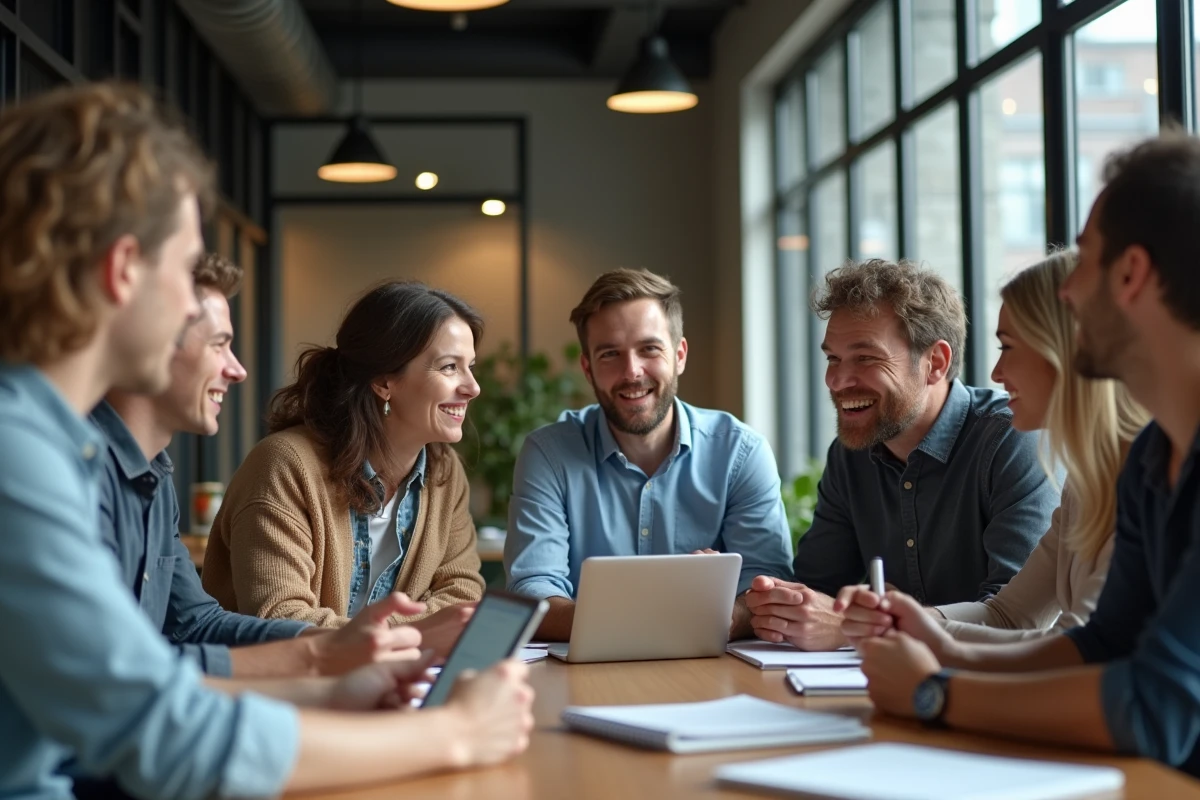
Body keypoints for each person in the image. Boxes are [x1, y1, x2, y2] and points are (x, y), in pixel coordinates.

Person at [0, 81, 532, 800]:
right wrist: (455, 734)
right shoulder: (18, 453)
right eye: (184, 273)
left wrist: (329, 677)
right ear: (124, 269)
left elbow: (163, 672)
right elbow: (157, 729)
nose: (199, 312)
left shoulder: (62, 445)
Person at [838, 131, 1200, 777]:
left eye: (1084, 257)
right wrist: (940, 643)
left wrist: (935, 692)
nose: (1067, 291)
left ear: (1131, 274)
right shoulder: (1154, 460)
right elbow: (1101, 646)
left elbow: (1157, 705)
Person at [93, 252, 422, 679]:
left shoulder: (152, 476)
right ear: (154, 344)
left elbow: (195, 625)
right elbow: (116, 672)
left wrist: (334, 643)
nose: (238, 370)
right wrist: (319, 660)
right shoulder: (73, 474)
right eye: (219, 344)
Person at [746, 260, 1059, 651]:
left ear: (936, 363)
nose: (837, 380)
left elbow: (1011, 620)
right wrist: (776, 604)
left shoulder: (1012, 439)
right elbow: (817, 590)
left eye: (866, 358)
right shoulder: (851, 453)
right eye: (833, 358)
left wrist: (862, 623)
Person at [504, 268, 794, 642]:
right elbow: (532, 591)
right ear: (588, 369)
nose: (632, 371)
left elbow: (768, 583)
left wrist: (727, 616)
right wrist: (660, 616)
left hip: (711, 674)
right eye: (610, 354)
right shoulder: (549, 454)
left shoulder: (740, 451)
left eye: (649, 349)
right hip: (586, 676)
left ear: (679, 355)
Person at [203, 280, 486, 657]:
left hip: (386, 684)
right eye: (450, 367)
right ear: (385, 382)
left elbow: (463, 597)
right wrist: (421, 632)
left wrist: (407, 635)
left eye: (470, 367)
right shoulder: (284, 465)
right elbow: (280, 620)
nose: (473, 387)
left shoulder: (443, 472)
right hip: (272, 691)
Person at [930, 251, 1147, 641]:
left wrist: (927, 639)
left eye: (1007, 347)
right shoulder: (1086, 482)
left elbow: (1079, 649)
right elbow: (1009, 614)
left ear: (1062, 351)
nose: (996, 374)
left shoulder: (1149, 480)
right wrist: (909, 621)